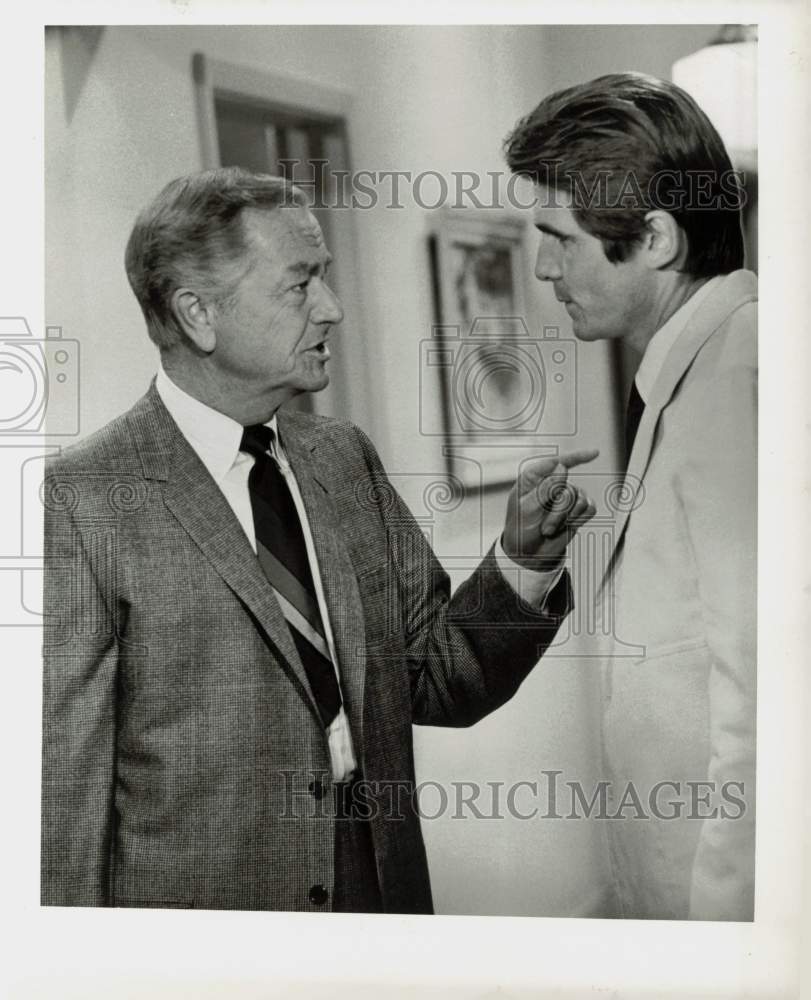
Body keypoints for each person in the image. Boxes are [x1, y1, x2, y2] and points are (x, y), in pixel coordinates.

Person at [41, 167, 598, 913]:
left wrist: (525, 559)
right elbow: (61, 804)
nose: (332, 310)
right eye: (300, 285)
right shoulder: (82, 501)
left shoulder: (342, 458)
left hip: (380, 894)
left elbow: (439, 676)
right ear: (197, 314)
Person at [505, 72, 757, 921]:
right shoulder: (691, 368)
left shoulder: (739, 377)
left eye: (558, 238)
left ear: (653, 237)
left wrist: (729, 941)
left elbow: (764, 701)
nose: (543, 267)